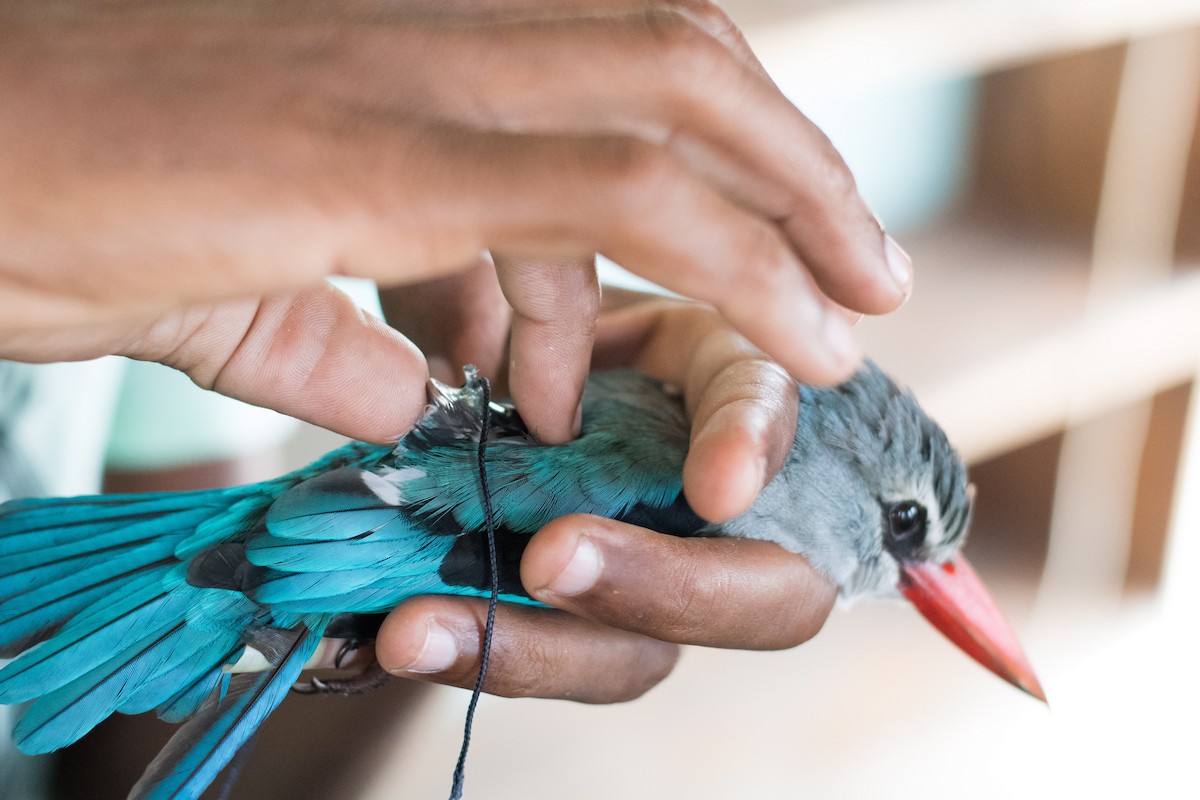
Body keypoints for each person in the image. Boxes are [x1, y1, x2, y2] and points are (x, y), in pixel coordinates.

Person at [0, 0, 911, 709]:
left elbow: (275, 582)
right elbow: (282, 563)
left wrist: (428, 653)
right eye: (904, 528)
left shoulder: (233, 302)